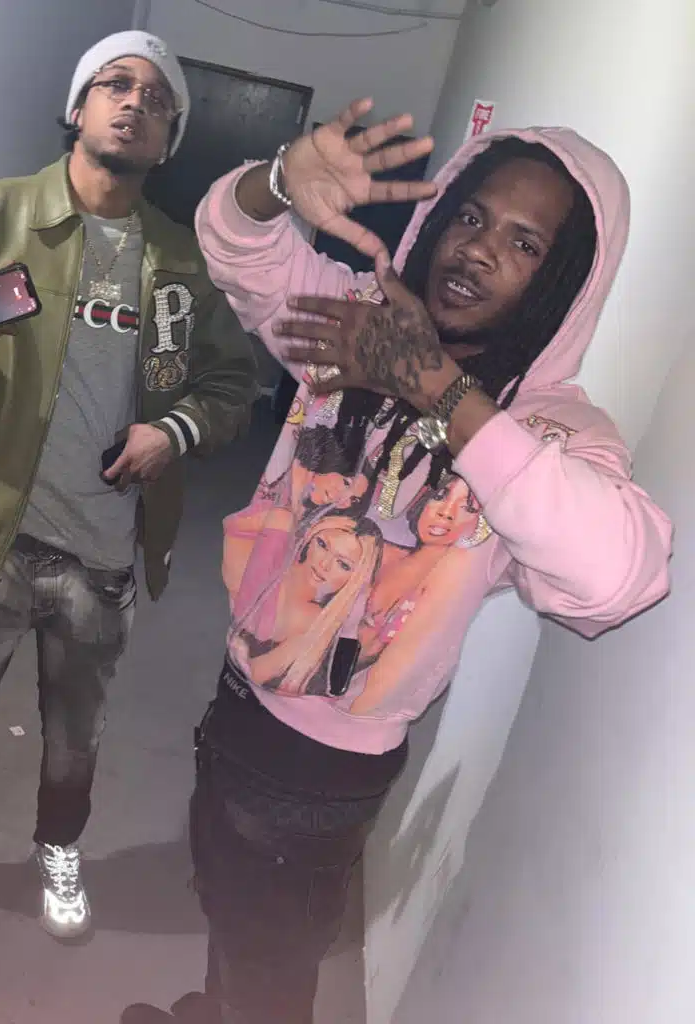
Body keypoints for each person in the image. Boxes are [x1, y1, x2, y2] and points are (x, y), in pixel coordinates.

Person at [122, 100, 672, 1023]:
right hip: (237, 698)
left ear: (566, 279)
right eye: (471, 217)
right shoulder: (357, 327)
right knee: (227, 907)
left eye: (525, 243)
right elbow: (235, 246)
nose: (480, 250)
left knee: (273, 981)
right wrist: (274, 183)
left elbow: (619, 577)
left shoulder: (548, 429)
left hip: (323, 772)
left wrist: (439, 393)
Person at [0, 30, 257, 951]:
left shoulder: (181, 261)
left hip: (103, 556)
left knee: (77, 736)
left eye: (157, 98)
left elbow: (232, 387)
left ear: (169, 140)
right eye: (115, 84)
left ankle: (58, 850)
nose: (135, 102)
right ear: (77, 107)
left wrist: (174, 431)